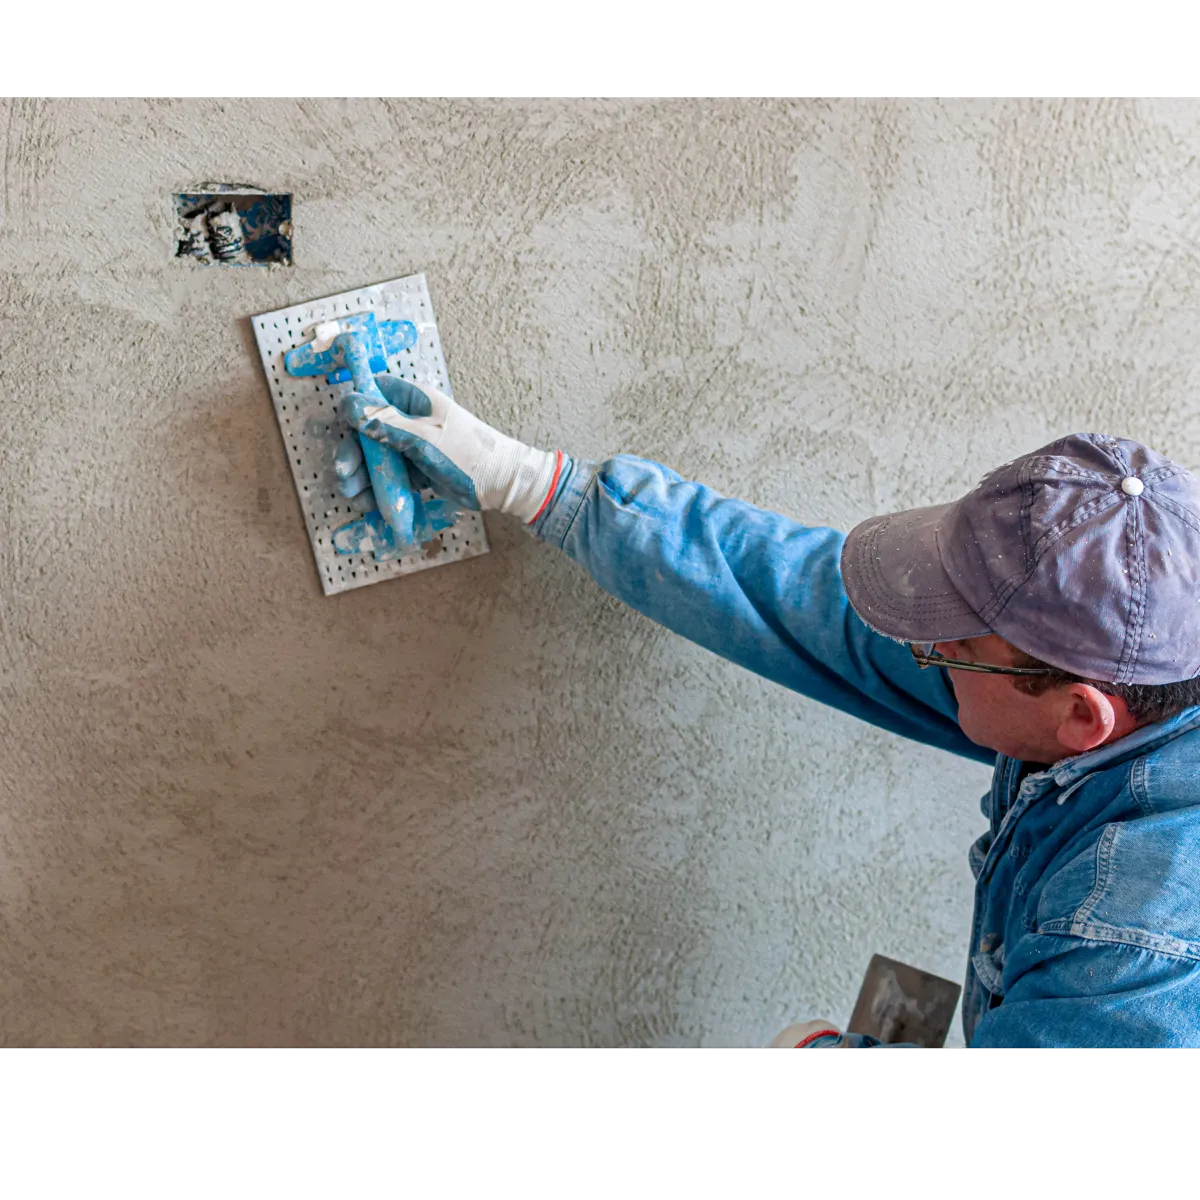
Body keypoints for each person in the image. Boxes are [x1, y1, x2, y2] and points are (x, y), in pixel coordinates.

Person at [333, 375, 1200, 1050]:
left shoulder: (1129, 946)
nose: (919, 656)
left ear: (1083, 718)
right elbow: (816, 606)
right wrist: (539, 485)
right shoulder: (1139, 659)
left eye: (942, 650)